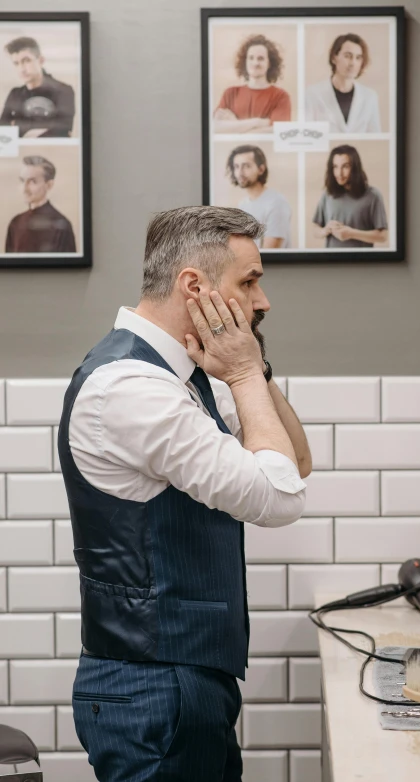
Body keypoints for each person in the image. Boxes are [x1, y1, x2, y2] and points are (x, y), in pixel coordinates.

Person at [58, 205, 311, 781]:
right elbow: (279, 498)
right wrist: (244, 375)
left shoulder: (185, 377)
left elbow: (294, 462)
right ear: (194, 286)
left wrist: (255, 371)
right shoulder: (131, 385)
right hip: (153, 684)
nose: (263, 299)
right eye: (249, 281)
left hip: (184, 680)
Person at [313, 144, 388, 248]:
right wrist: (325, 230)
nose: (339, 173)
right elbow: (315, 229)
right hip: (331, 262)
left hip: (361, 262)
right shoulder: (327, 194)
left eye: (345, 166)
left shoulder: (373, 195)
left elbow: (383, 236)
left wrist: (351, 233)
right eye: (335, 167)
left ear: (355, 167)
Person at [214, 34, 291, 133]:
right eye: (251, 58)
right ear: (245, 62)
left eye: (261, 58)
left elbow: (279, 132)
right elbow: (215, 128)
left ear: (269, 63)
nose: (255, 63)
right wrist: (258, 122)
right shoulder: (230, 93)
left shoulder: (281, 96)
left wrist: (234, 125)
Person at [0, 36, 75, 138]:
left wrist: (18, 126)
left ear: (41, 60)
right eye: (16, 63)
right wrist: (44, 127)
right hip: (20, 152)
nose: (22, 69)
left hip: (53, 151)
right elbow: (3, 132)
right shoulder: (15, 94)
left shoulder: (63, 90)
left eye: (26, 61)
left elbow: (62, 129)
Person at [305, 33, 381, 133]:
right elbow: (308, 137)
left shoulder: (370, 97)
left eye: (358, 58)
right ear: (334, 58)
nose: (352, 63)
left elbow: (375, 137)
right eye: (347, 56)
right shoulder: (312, 94)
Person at [5, 155, 76, 253]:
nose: (24, 189)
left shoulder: (61, 225)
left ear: (49, 185)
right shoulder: (16, 222)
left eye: (32, 181)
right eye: (22, 181)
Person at [227, 144, 292, 249]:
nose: (240, 172)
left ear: (261, 169)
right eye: (236, 166)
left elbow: (270, 253)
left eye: (246, 166)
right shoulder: (242, 205)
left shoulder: (277, 203)